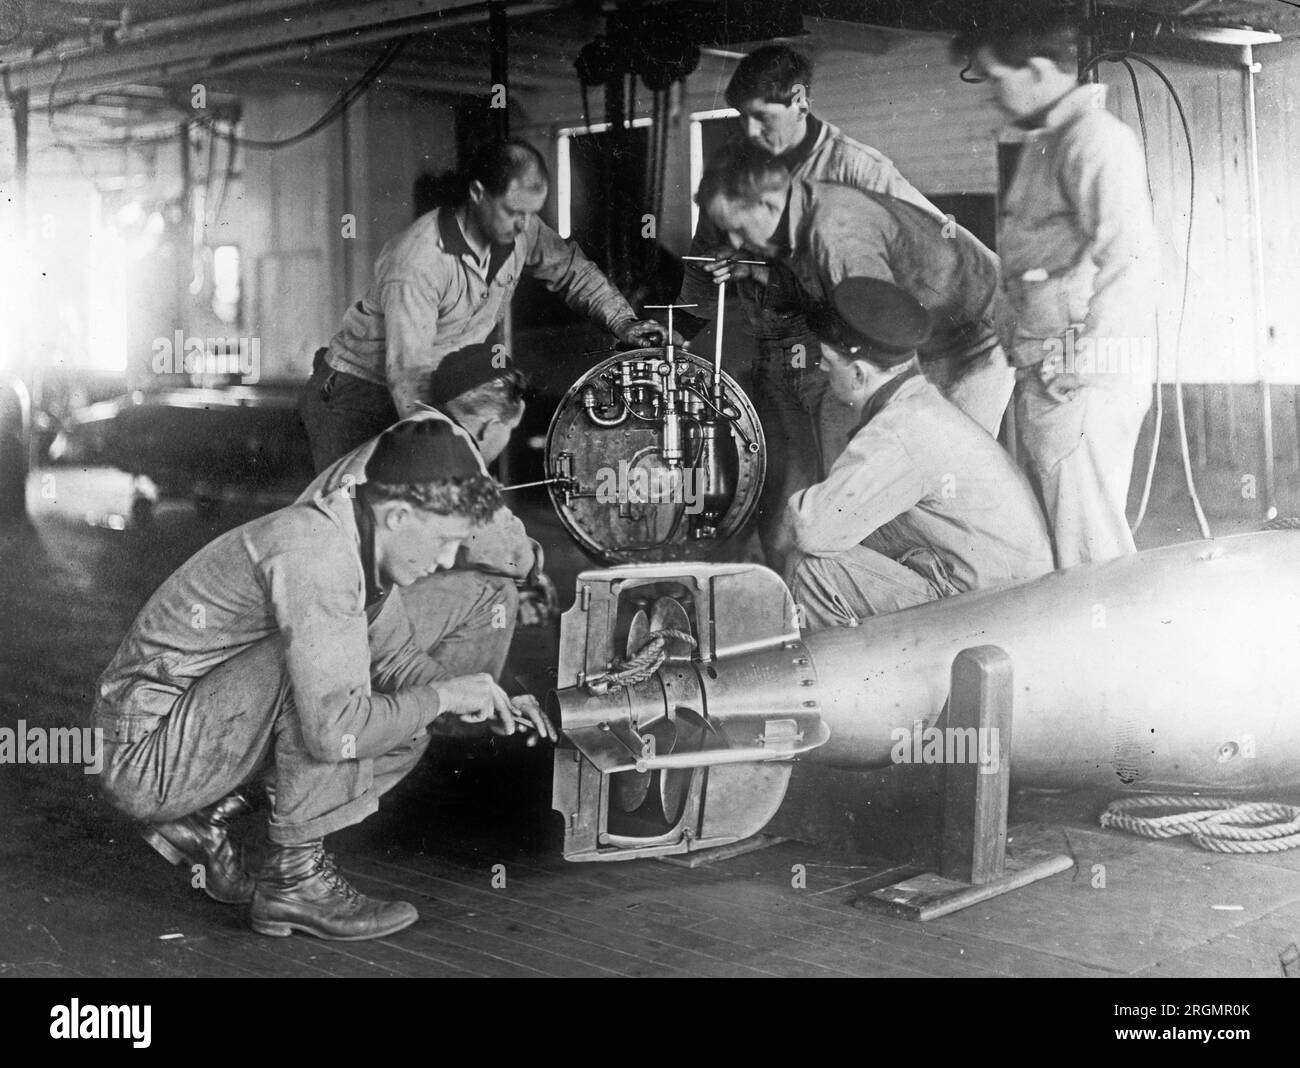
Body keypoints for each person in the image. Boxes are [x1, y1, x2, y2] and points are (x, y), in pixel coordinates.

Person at [91, 420, 556, 941]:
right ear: (400, 515)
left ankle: (215, 815)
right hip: (144, 756)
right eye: (445, 542)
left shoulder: (358, 532)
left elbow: (398, 656)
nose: (447, 561)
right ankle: (294, 883)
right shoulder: (319, 553)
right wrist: (443, 694)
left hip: (192, 726)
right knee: (329, 689)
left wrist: (478, 696)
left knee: (395, 707)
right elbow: (337, 729)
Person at [675, 45, 946, 566]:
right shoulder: (741, 165)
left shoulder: (858, 170)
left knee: (850, 510)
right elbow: (703, 254)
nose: (750, 132)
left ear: (799, 99)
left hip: (846, 361)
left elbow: (929, 249)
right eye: (741, 118)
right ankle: (794, 630)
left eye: (761, 116)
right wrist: (681, 327)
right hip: (775, 358)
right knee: (787, 506)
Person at [696, 141, 1014, 564]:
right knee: (882, 479)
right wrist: (753, 270)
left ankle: (963, 596)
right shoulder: (805, 206)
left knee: (923, 476)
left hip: (977, 337)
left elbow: (882, 350)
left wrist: (871, 436)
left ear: (769, 204)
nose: (736, 242)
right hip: (937, 330)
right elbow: (820, 289)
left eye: (737, 229)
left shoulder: (838, 235)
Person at [300, 138, 677, 472]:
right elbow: (408, 373)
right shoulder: (418, 260)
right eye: (513, 212)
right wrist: (448, 464)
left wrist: (625, 322)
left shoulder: (520, 229)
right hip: (358, 393)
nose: (523, 226)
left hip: (423, 384)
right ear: (478, 193)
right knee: (358, 520)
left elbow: (571, 270)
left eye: (531, 213)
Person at [952, 11, 1158, 568]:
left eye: (997, 77)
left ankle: (1109, 654)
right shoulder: (1049, 141)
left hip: (1075, 381)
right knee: (1069, 549)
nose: (991, 94)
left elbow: (1132, 261)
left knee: (1091, 552)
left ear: (1039, 69)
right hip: (1046, 372)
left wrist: (1082, 363)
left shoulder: (1095, 140)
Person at [786, 278, 1053, 629]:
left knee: (813, 568)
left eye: (826, 361)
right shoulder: (921, 405)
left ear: (857, 373)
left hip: (997, 612)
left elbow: (812, 530)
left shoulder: (900, 429)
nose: (821, 368)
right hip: (1012, 591)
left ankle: (851, 683)